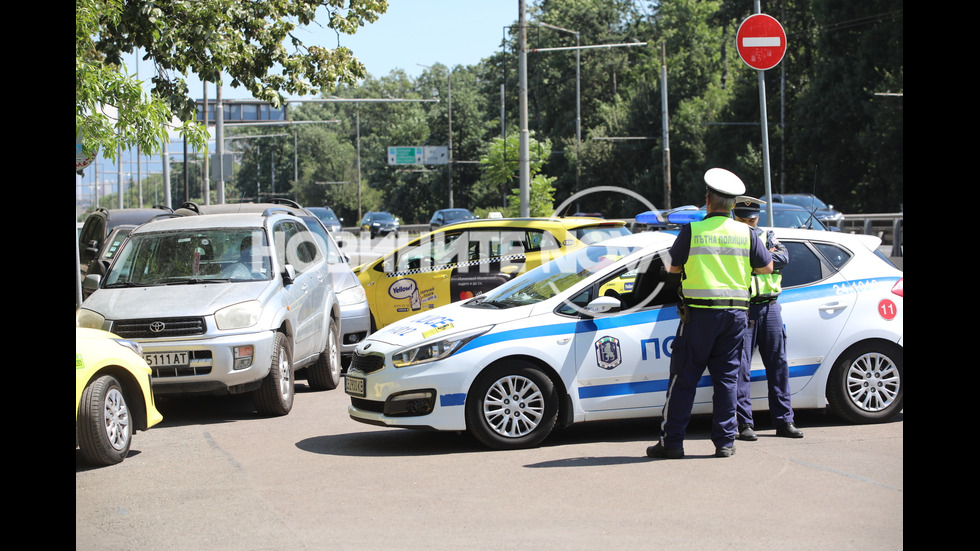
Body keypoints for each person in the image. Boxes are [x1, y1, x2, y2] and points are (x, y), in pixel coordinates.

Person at [646, 168, 773, 459]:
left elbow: (673, 269)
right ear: (732, 206)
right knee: (727, 381)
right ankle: (725, 443)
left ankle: (673, 442)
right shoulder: (746, 232)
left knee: (684, 379)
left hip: (699, 318)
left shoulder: (693, 231)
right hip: (736, 317)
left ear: (707, 200)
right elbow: (766, 267)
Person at [732, 196, 804, 440]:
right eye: (743, 219)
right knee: (741, 369)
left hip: (770, 307)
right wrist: (764, 259)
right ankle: (745, 424)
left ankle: (784, 422)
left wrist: (757, 260)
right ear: (735, 217)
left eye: (752, 219)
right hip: (743, 308)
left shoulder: (767, 236)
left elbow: (783, 258)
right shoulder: (731, 239)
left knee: (778, 365)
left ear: (757, 217)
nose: (749, 223)